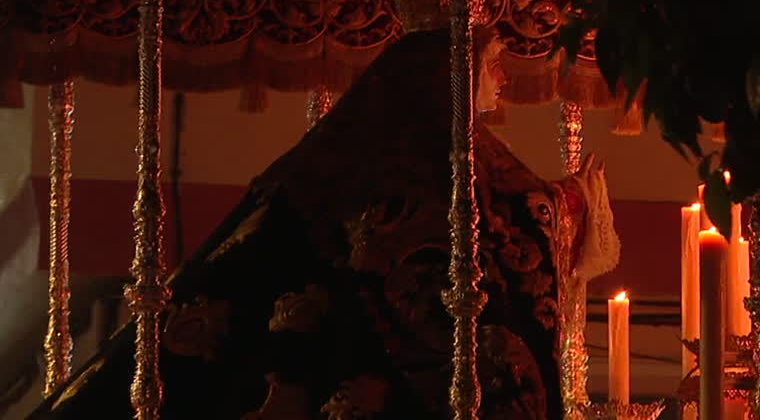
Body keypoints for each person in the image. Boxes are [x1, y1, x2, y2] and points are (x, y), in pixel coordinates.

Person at [32, 28, 616, 419]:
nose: (503, 81)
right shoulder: (414, 168)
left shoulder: (432, 160)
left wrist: (561, 210)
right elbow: (488, 239)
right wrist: (569, 210)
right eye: (491, 66)